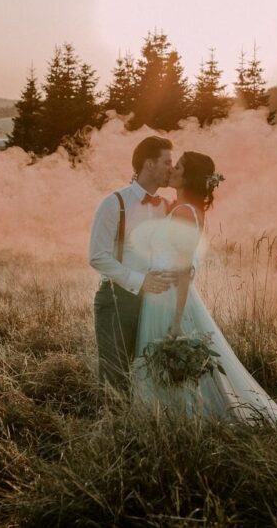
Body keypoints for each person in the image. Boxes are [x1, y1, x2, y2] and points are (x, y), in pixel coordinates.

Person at [132, 151, 277, 439]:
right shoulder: (185, 209)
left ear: (189, 177)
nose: (173, 169)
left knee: (170, 358)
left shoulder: (185, 212)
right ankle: (175, 420)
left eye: (180, 166)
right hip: (161, 293)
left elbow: (185, 268)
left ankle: (185, 421)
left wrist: (176, 319)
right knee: (170, 362)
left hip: (170, 298)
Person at [89, 135, 178, 395]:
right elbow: (97, 255)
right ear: (149, 164)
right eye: (167, 161)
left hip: (156, 303)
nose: (170, 168)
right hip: (117, 300)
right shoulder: (114, 203)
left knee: (148, 372)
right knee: (115, 376)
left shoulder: (166, 207)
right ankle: (113, 430)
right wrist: (140, 282)